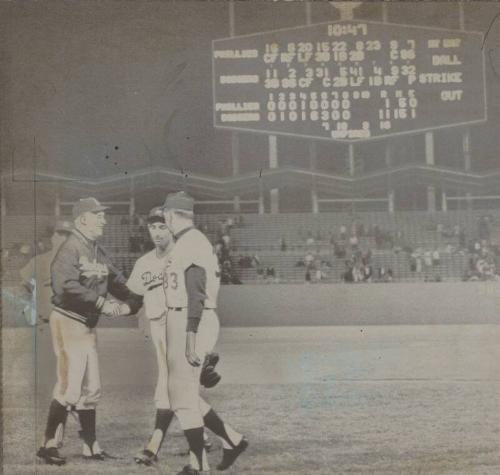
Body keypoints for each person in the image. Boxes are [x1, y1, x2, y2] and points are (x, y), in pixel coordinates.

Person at [37, 197, 143, 466]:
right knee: (70, 385)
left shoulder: (97, 250)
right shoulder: (70, 247)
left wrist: (133, 301)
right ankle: (48, 444)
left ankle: (89, 445)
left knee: (92, 387)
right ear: (82, 219)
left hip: (85, 324)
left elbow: (118, 282)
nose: (104, 219)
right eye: (98, 215)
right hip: (69, 319)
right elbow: (64, 286)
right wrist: (100, 302)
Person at [162, 192, 248, 475]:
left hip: (193, 320)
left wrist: (189, 337)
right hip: (191, 319)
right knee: (182, 394)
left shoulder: (191, 243)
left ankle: (199, 466)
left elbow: (196, 292)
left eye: (165, 214)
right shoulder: (190, 241)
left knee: (181, 396)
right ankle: (231, 440)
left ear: (170, 215)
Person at [128, 207, 212, 466]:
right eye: (152, 227)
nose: (156, 232)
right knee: (177, 390)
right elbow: (136, 299)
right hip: (158, 330)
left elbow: (199, 298)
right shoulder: (143, 262)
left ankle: (156, 448)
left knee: (170, 389)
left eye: (162, 226)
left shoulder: (184, 255)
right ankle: (215, 439)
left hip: (179, 327)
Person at [19, 220, 73, 326]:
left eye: (68, 236)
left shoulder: (80, 263)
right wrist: (29, 308)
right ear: (53, 238)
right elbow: (23, 286)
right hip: (43, 322)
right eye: (60, 234)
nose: (64, 239)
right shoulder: (38, 261)